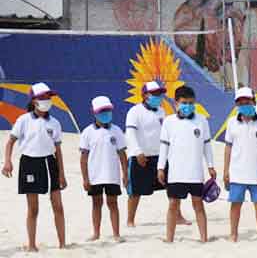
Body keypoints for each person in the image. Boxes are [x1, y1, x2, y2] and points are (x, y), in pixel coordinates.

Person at [1, 82, 67, 251]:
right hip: (30, 163)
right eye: (43, 97)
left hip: (50, 163)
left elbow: (58, 150)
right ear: (34, 100)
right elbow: (10, 142)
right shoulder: (23, 120)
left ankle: (62, 244)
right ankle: (31, 245)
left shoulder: (55, 123)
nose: (47, 100)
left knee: (58, 206)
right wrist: (7, 161)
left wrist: (61, 174)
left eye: (48, 97)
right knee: (33, 208)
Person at [125, 80, 190, 228]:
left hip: (161, 156)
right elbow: (130, 134)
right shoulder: (134, 111)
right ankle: (130, 219)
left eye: (160, 94)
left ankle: (178, 216)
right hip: (141, 157)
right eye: (155, 94)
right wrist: (137, 152)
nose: (159, 96)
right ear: (145, 95)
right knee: (135, 191)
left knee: (173, 188)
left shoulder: (161, 111)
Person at [157, 85, 216, 243]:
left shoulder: (201, 120)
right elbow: (164, 146)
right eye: (184, 102)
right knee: (173, 205)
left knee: (198, 205)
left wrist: (210, 165)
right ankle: (169, 239)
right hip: (176, 172)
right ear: (176, 103)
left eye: (191, 103)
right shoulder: (168, 122)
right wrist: (160, 168)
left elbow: (207, 145)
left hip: (195, 172)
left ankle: (204, 238)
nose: (188, 106)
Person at [224, 87, 257, 242]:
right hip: (237, 172)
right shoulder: (232, 123)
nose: (245, 104)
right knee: (235, 204)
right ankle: (233, 234)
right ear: (237, 105)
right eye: (241, 102)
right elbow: (228, 148)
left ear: (254, 101)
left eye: (247, 101)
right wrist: (226, 170)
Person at [79, 96, 128, 242]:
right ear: (94, 112)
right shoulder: (87, 132)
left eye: (108, 110)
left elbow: (122, 154)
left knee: (113, 203)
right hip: (95, 176)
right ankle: (96, 233)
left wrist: (125, 173)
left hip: (112, 175)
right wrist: (85, 178)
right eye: (102, 111)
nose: (105, 113)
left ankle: (116, 233)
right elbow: (83, 158)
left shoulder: (117, 131)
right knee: (96, 204)